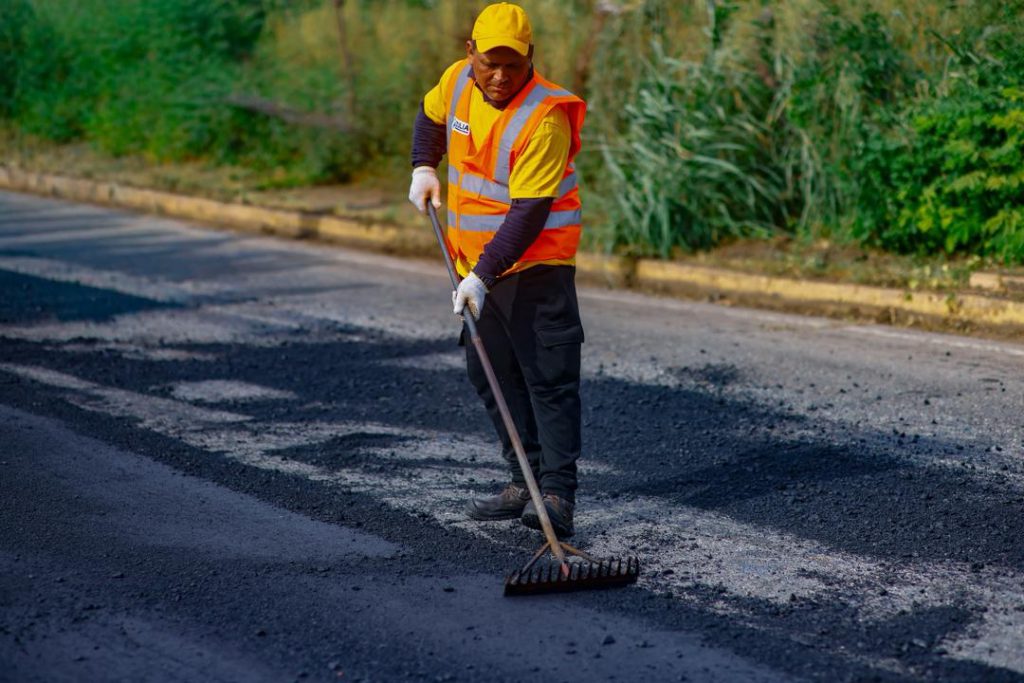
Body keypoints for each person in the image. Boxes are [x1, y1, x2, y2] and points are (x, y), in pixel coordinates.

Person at [408, 2, 586, 538]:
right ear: (471, 54)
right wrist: (424, 165)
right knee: (490, 372)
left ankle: (556, 494)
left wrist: (481, 277)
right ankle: (522, 480)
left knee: (549, 380)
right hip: (476, 266)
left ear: (531, 57)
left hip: (535, 267)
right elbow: (430, 117)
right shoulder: (457, 82)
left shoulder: (544, 117)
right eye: (491, 63)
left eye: (513, 64)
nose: (501, 76)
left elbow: (529, 212)